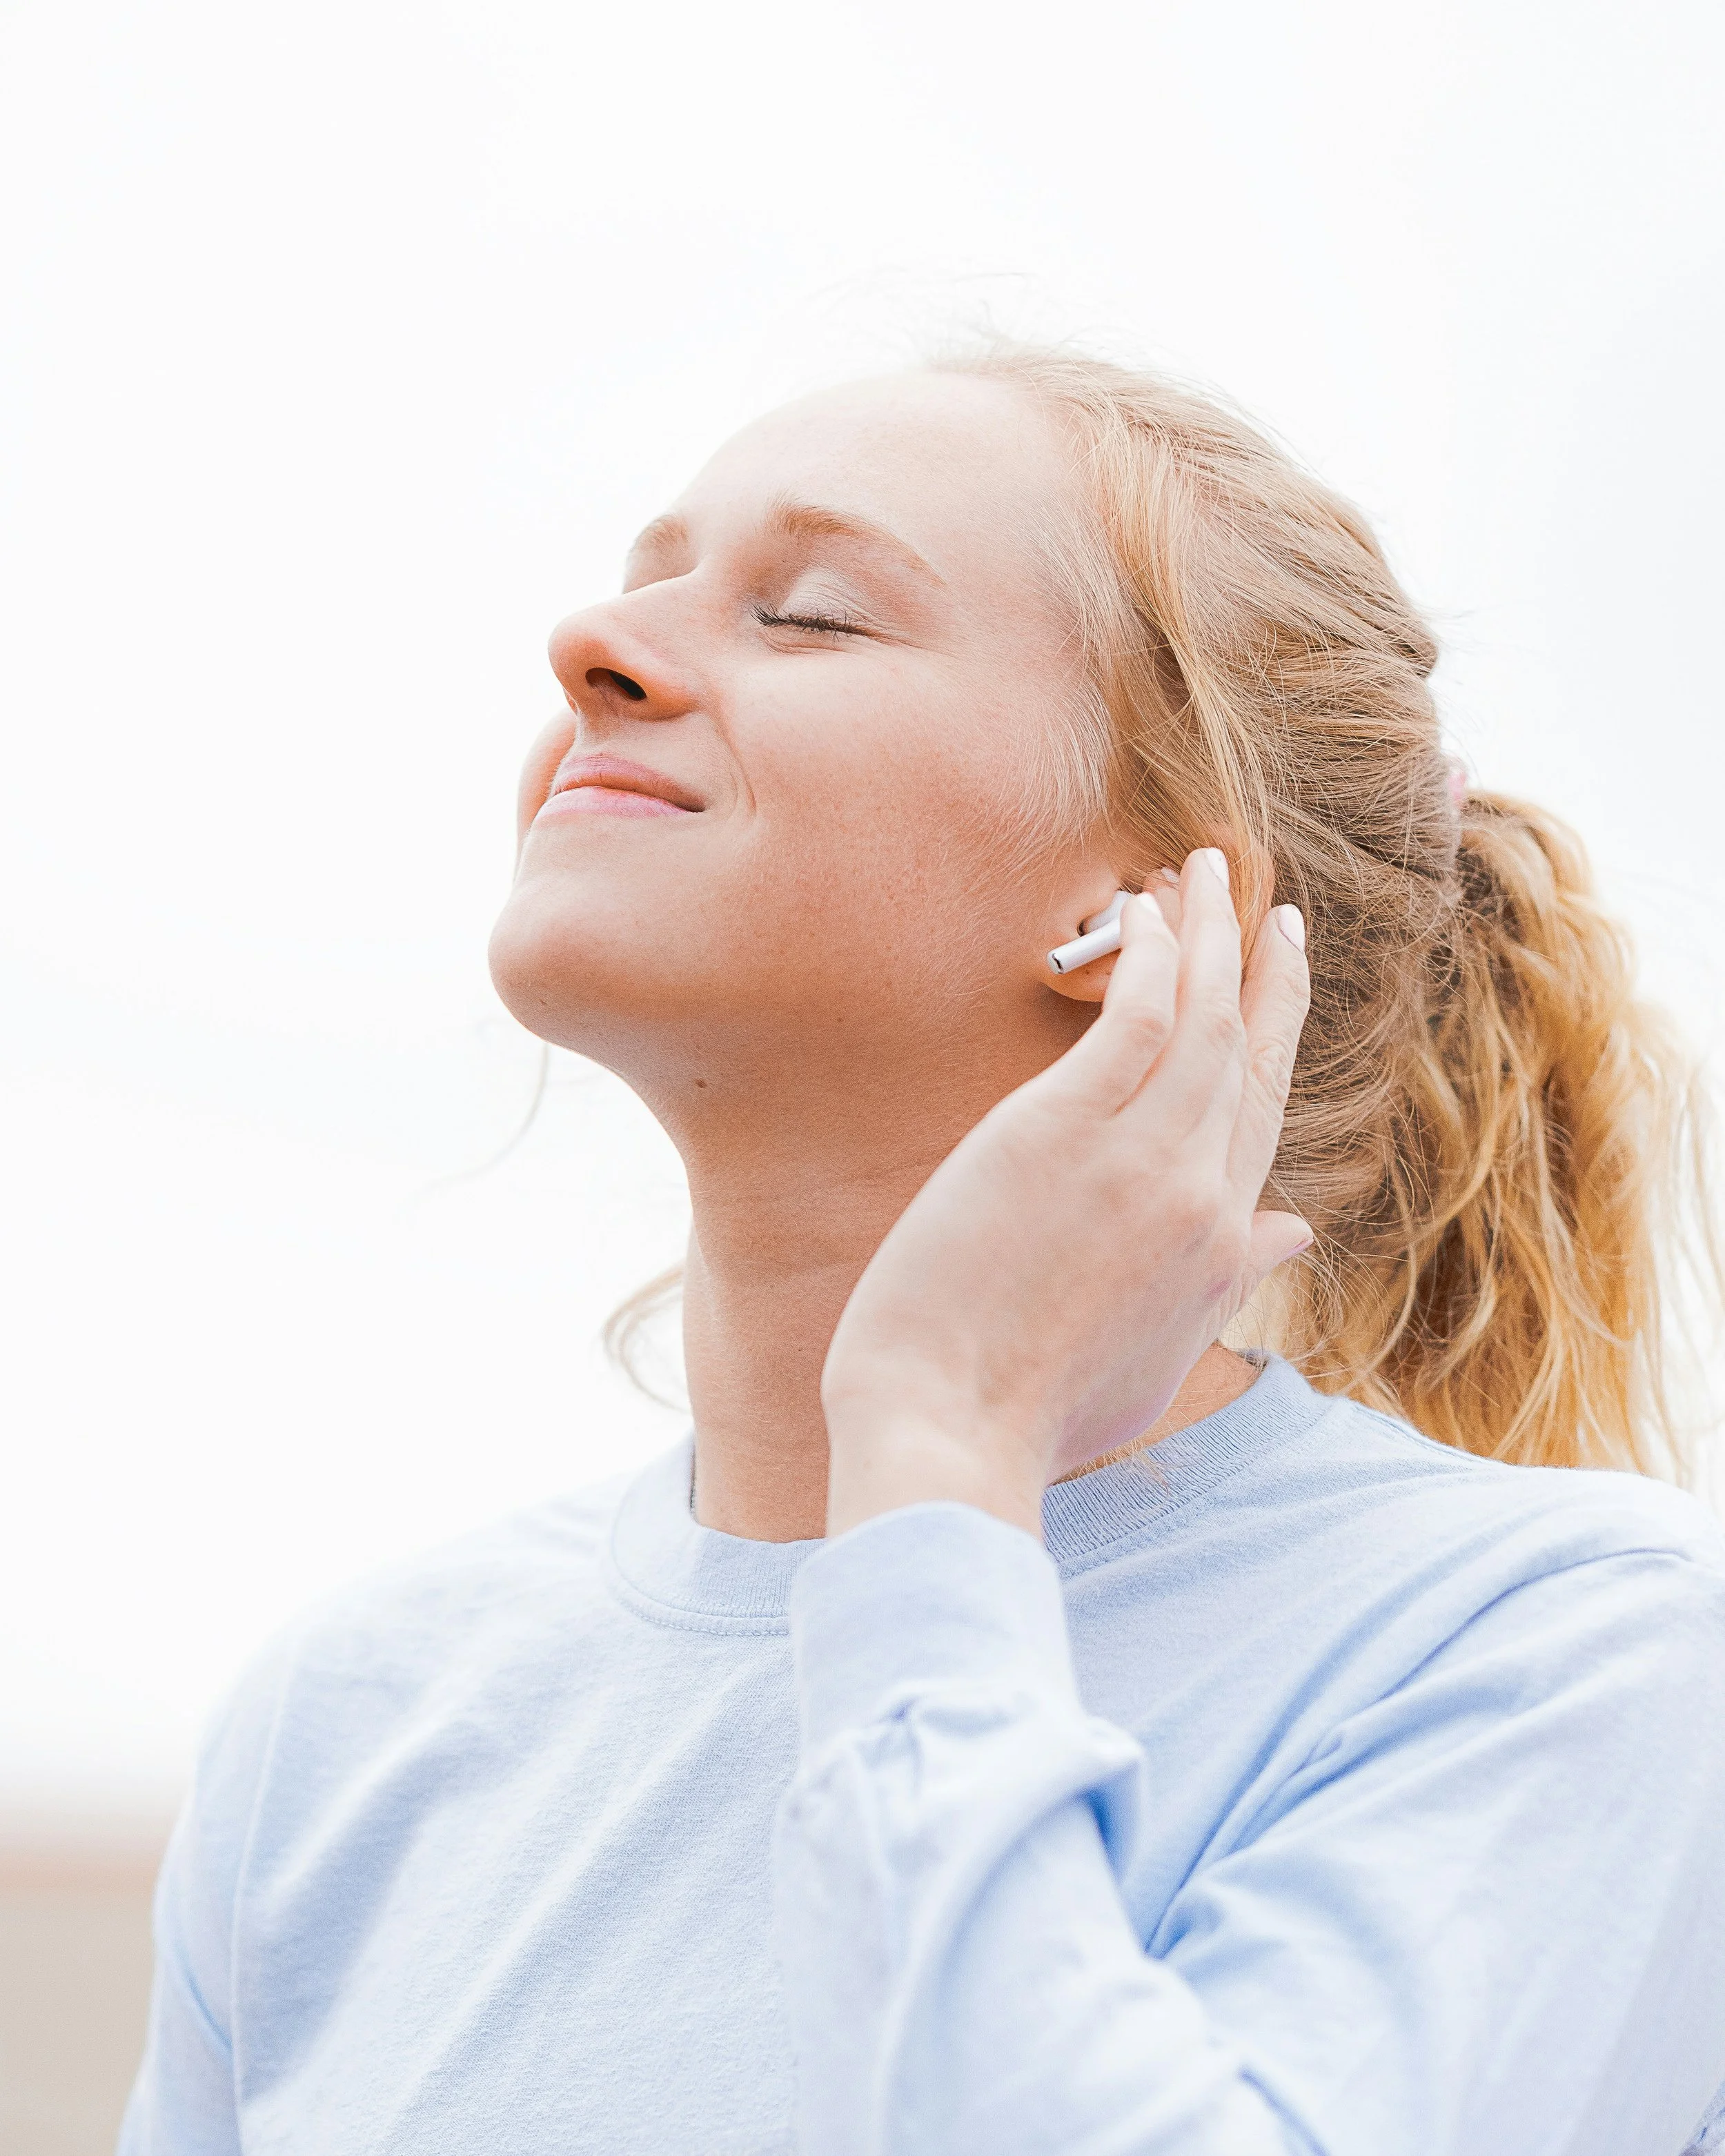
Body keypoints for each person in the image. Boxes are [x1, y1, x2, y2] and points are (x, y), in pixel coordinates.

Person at [120, 349, 1725, 2156]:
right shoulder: (348, 1726)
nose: (592, 640)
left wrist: (940, 1443)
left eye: (809, 614)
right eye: (646, 575)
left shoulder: (1558, 1650)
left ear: (1153, 909)